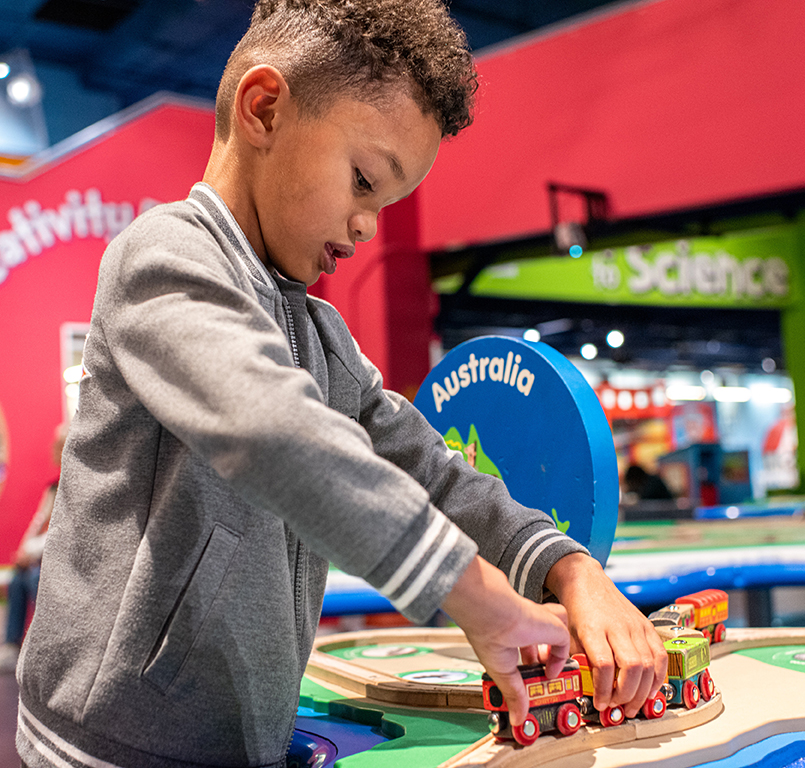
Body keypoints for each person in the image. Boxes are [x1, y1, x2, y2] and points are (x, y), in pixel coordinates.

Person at [17, 2, 667, 766]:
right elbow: (270, 428)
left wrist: (568, 567)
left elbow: (430, 468)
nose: (367, 226)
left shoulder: (322, 337)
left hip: (241, 743)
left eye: (383, 204)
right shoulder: (162, 257)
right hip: (109, 748)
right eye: (363, 181)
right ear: (264, 109)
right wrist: (474, 594)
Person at [0, 424, 67, 674]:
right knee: (19, 580)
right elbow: (39, 523)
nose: (52, 450)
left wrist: (33, 553)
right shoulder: (53, 487)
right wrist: (24, 552)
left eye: (57, 446)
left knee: (37, 579)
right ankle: (12, 644)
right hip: (40, 557)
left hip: (59, 560)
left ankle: (50, 647)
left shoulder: (74, 487)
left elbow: (62, 531)